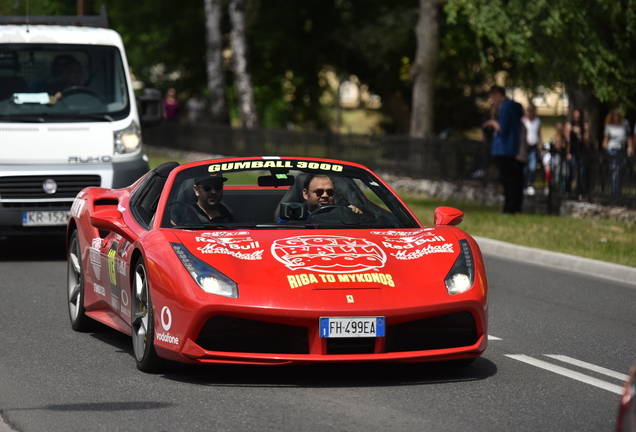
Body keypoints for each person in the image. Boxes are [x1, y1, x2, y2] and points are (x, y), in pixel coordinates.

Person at [483, 85, 524, 214]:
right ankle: (515, 207)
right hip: (512, 147)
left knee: (507, 180)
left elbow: (503, 128)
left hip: (503, 148)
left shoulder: (505, 107)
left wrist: (492, 123)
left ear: (498, 95)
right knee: (513, 179)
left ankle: (509, 208)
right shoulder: (515, 106)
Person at [278, 174, 361, 222]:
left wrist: (353, 214)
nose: (325, 195)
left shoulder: (343, 213)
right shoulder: (291, 216)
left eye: (330, 192)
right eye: (319, 192)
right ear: (306, 194)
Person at [602, 109, 633, 196]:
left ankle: (618, 192)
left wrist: (630, 147)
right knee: (615, 171)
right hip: (612, 149)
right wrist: (603, 152)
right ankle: (614, 193)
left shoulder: (625, 123)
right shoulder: (609, 126)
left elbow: (629, 136)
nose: (616, 116)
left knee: (621, 171)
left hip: (622, 149)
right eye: (614, 115)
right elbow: (605, 140)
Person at [565, 109, 590, 198]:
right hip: (573, 152)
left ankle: (579, 191)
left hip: (581, 152)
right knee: (571, 172)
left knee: (581, 172)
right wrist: (568, 152)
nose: (576, 118)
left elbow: (587, 139)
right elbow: (567, 140)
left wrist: (582, 137)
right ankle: (567, 190)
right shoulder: (569, 126)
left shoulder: (584, 126)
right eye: (575, 116)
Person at [521, 103, 542, 196]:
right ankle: (524, 185)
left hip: (533, 147)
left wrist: (541, 145)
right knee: (524, 169)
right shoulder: (523, 121)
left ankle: (531, 185)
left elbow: (539, 133)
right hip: (525, 148)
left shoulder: (537, 121)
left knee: (532, 167)